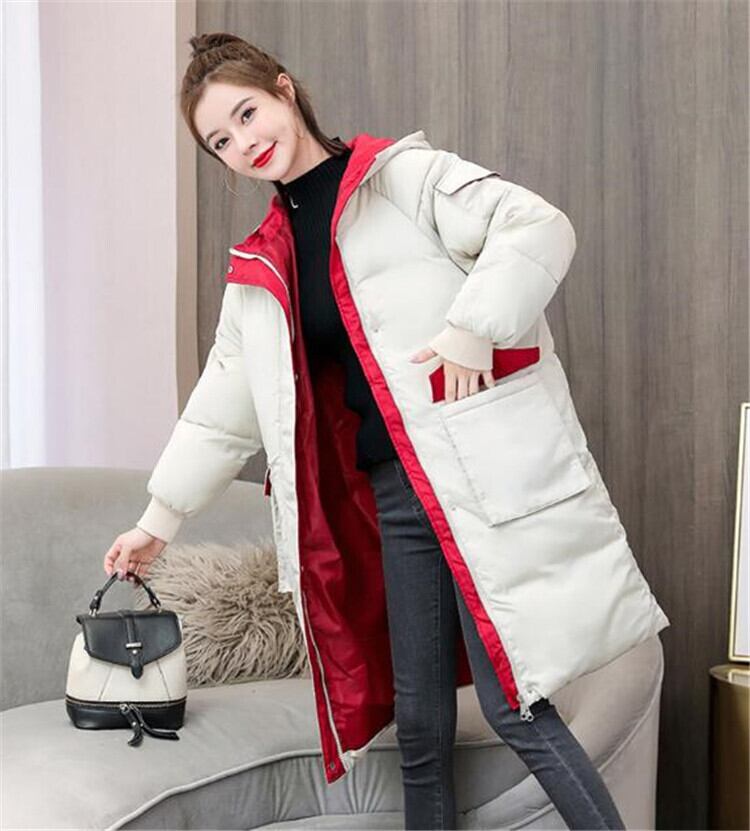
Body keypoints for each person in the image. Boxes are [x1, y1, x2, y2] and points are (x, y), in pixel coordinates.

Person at [104, 31, 669, 830]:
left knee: (515, 706)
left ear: (284, 89)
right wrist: (157, 522)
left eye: (247, 113)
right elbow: (219, 407)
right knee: (421, 731)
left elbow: (537, 224)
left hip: (474, 481)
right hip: (395, 499)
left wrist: (474, 327)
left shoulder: (401, 178)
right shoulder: (261, 266)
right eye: (220, 141)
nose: (244, 143)